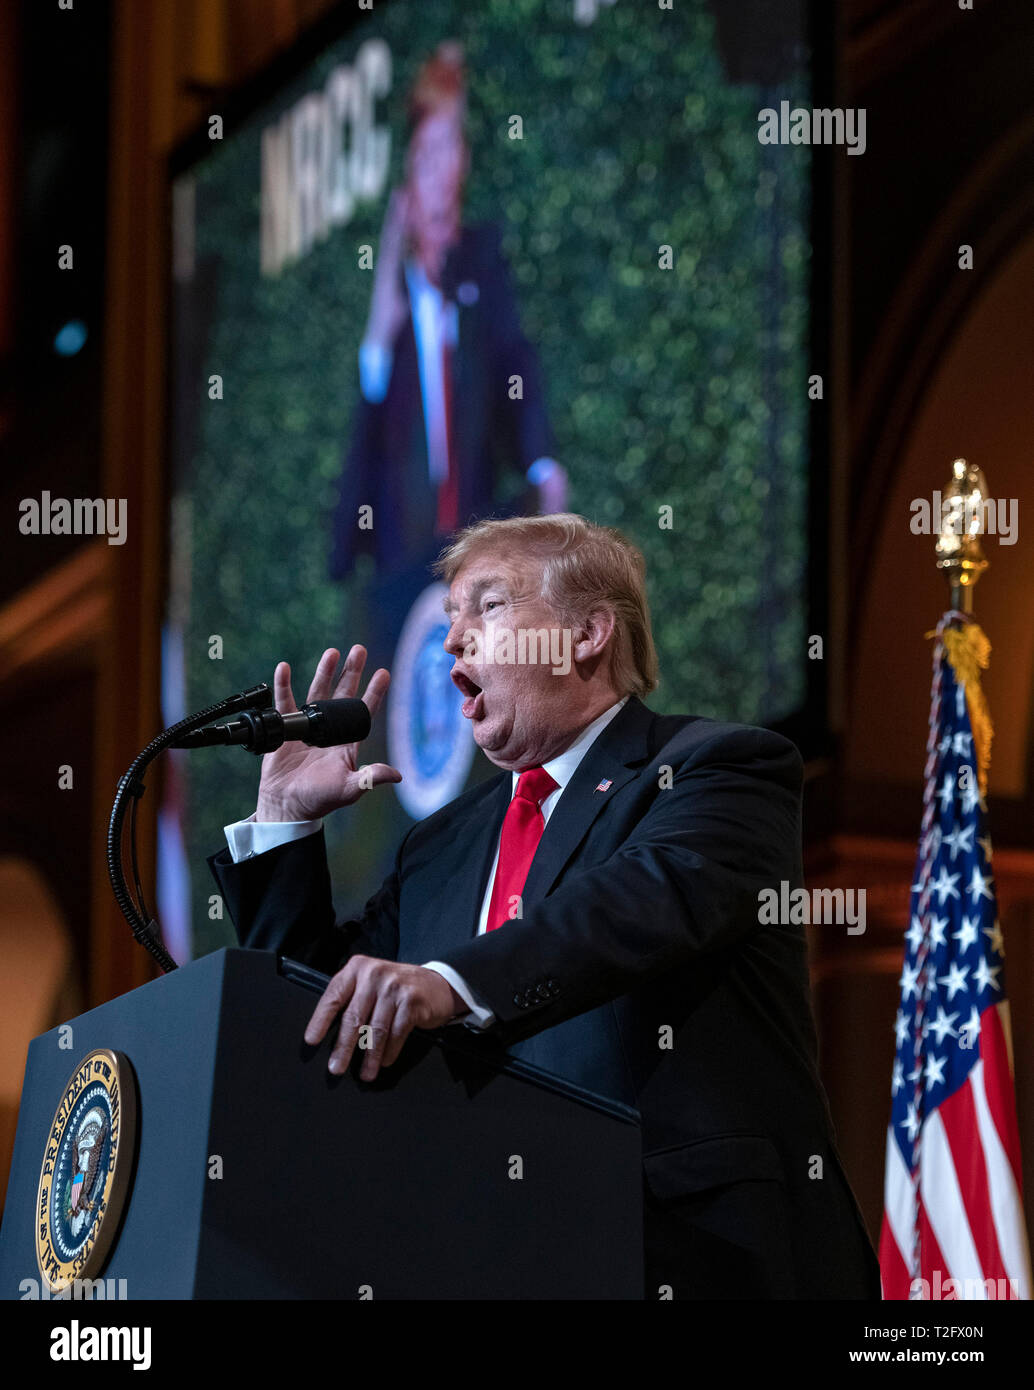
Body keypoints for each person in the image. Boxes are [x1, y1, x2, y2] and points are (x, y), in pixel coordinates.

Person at [211, 513, 880, 1299]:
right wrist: (285, 825)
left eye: (487, 608)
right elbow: (328, 1018)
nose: (453, 640)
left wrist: (453, 984)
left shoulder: (717, 767)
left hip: (694, 1259)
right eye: (450, 616)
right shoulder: (442, 846)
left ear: (588, 633)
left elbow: (637, 903)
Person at [330, 42, 565, 592]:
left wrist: (541, 463)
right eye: (427, 157)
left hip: (477, 557)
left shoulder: (482, 271)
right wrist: (376, 348)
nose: (440, 176)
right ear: (406, 185)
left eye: (450, 151)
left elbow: (515, 363)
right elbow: (365, 457)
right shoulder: (389, 310)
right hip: (402, 568)